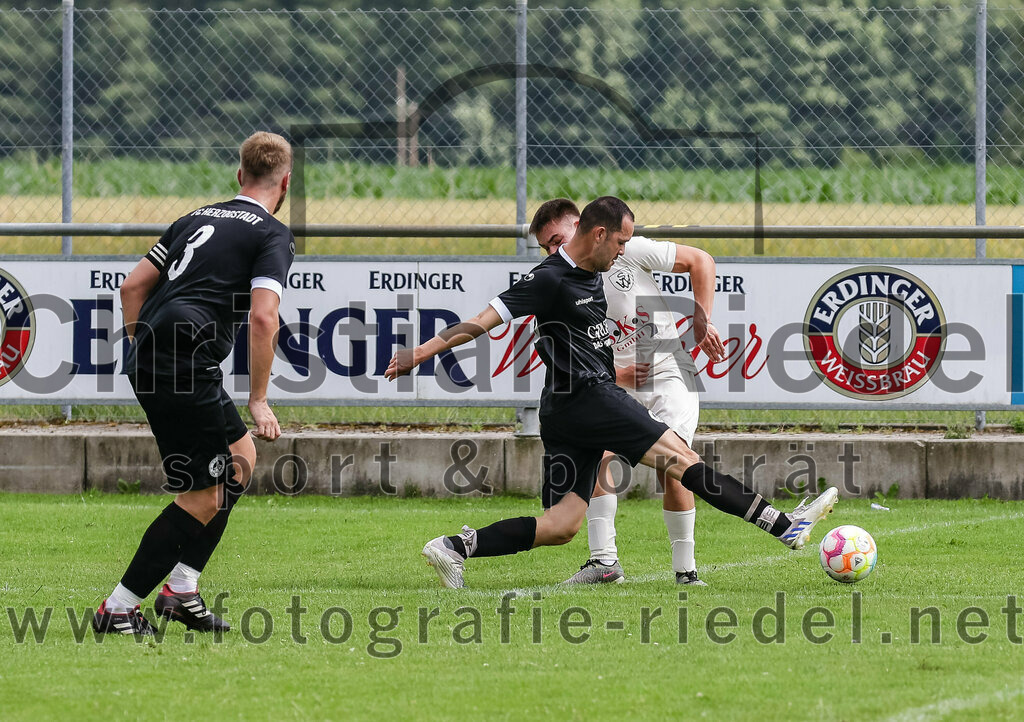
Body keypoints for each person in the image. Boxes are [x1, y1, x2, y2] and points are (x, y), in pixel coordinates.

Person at [386, 196, 838, 589]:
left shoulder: (595, 272)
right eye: (620, 242)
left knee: (561, 525)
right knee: (681, 460)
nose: (624, 251)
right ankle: (785, 526)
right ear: (599, 234)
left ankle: (452, 547)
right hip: (588, 399)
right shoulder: (549, 278)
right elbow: (482, 320)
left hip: (565, 409)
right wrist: (419, 353)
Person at [92, 131, 295, 635]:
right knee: (204, 495)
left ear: (239, 175)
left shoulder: (195, 217)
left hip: (160, 355)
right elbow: (264, 318)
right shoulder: (272, 234)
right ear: (285, 183)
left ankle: (182, 589)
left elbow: (132, 287)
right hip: (183, 363)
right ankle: (118, 608)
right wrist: (259, 398)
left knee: (241, 458)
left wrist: (143, 348)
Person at [532, 198, 721, 586]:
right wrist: (619, 374)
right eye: (545, 247)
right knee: (600, 459)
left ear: (581, 228)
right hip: (612, 383)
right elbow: (567, 359)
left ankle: (686, 572)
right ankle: (604, 563)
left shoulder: (626, 249)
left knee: (675, 466)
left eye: (556, 240)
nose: (552, 252)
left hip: (669, 372)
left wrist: (701, 319)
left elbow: (701, 261)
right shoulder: (555, 283)